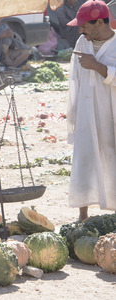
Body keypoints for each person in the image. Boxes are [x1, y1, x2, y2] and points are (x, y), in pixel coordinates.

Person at [66, 0, 116, 221]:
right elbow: (74, 80)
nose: (81, 30)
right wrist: (74, 114)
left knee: (112, 157)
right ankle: (82, 215)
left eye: (85, 25)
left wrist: (96, 65)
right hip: (86, 110)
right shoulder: (82, 41)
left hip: (112, 113)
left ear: (99, 22)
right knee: (85, 158)